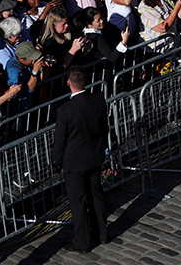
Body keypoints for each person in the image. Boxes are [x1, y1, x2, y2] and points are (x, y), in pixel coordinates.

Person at [51, 66, 110, 252]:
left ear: (69, 83)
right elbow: (104, 128)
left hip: (75, 162)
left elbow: (60, 141)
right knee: (96, 195)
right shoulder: (98, 100)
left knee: (78, 202)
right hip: (94, 156)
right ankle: (102, 234)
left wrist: (55, 162)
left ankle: (82, 241)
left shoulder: (65, 111)